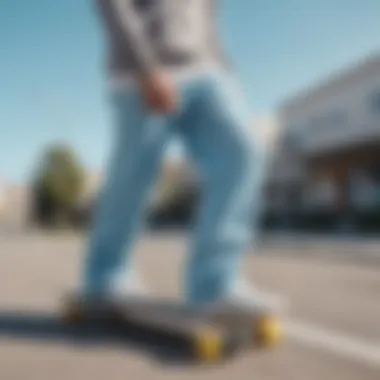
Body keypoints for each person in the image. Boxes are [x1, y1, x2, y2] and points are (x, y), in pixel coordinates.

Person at [80, 0, 277, 313]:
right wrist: (146, 67)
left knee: (242, 152)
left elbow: (208, 19)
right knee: (133, 177)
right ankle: (106, 276)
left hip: (207, 70)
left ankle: (215, 283)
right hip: (141, 72)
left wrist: (226, 72)